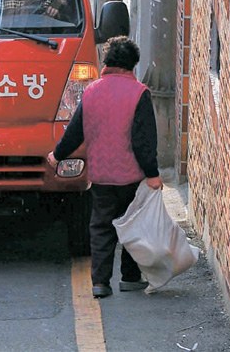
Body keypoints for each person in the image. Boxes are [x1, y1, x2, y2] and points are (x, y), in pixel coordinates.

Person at [47, 36, 163, 299]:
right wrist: (153, 174)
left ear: (107, 61)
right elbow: (144, 140)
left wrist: (56, 155)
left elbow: (75, 133)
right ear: (133, 64)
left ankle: (100, 282)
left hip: (101, 176)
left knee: (101, 227)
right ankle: (130, 278)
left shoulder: (91, 91)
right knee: (132, 225)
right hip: (132, 176)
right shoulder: (140, 93)